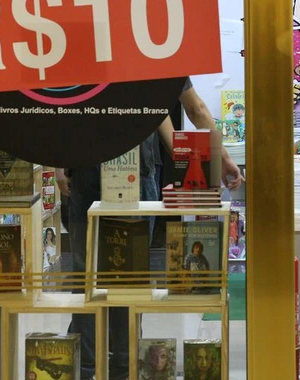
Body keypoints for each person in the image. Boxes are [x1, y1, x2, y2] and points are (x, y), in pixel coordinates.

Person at [57, 78, 244, 380]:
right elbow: (193, 107)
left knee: (87, 275)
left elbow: (63, 106)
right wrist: (219, 158)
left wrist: (59, 163)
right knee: (130, 275)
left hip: (91, 169)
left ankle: (87, 368)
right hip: (132, 172)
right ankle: (124, 368)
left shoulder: (90, 42)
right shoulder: (159, 50)